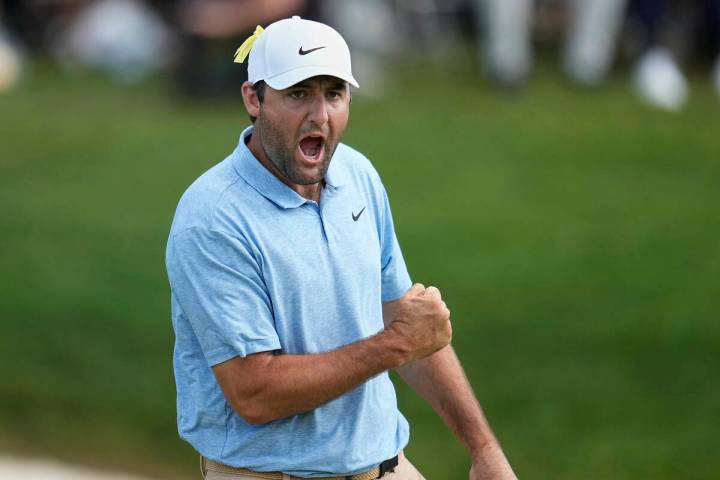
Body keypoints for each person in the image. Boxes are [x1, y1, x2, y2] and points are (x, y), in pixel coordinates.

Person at [166, 15, 517, 480]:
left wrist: (484, 449)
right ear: (254, 98)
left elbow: (404, 319)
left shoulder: (357, 176)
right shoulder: (213, 218)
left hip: (384, 466)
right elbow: (254, 393)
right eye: (298, 94)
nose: (320, 116)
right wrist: (392, 346)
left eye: (333, 94)